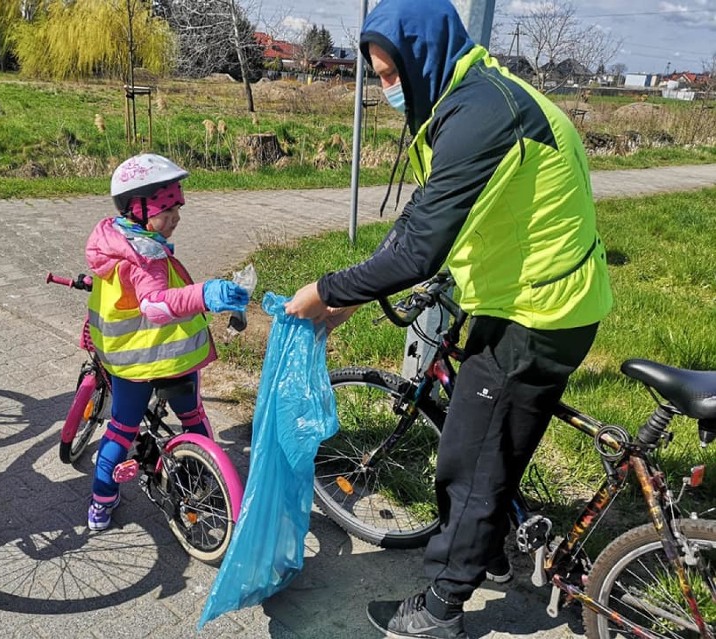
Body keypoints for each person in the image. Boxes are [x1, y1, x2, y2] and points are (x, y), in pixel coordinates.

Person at [284, 0, 613, 636]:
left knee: (470, 459)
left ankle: (441, 605)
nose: (385, 88)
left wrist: (323, 290)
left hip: (540, 311)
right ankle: (488, 552)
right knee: (487, 443)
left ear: (422, 53)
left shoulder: (482, 113)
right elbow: (424, 216)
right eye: (377, 75)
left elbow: (417, 248)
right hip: (528, 293)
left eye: (388, 73)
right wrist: (353, 293)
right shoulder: (466, 99)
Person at [84, 153, 250, 531]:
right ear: (138, 208)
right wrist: (205, 294)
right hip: (169, 357)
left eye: (177, 207)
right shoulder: (147, 256)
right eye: (166, 208)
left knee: (121, 431)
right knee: (191, 416)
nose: (175, 217)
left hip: (127, 363)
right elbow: (155, 306)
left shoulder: (114, 239)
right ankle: (206, 481)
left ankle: (101, 502)